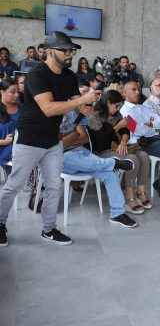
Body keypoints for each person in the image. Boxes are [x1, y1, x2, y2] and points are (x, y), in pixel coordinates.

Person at [0, 31, 100, 247]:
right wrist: (80, 101)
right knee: (14, 185)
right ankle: (0, 223)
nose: (70, 54)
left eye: (71, 51)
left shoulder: (70, 76)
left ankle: (49, 229)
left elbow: (78, 103)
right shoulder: (37, 75)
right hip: (29, 138)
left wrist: (88, 105)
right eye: (65, 50)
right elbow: (48, 108)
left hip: (53, 139)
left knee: (54, 186)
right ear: (50, 51)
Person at [59, 110, 138, 228]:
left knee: (110, 173)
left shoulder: (71, 114)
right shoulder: (47, 117)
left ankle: (117, 214)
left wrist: (65, 140)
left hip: (82, 153)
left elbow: (84, 138)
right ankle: (113, 163)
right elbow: (56, 146)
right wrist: (73, 136)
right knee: (68, 157)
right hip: (62, 157)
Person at [89, 90, 151, 214]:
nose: (118, 109)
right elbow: (101, 139)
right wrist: (119, 126)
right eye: (116, 105)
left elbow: (125, 131)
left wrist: (123, 142)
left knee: (144, 156)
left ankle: (140, 192)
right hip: (102, 151)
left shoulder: (117, 115)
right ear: (107, 102)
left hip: (117, 147)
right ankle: (129, 196)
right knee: (132, 159)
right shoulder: (94, 116)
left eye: (119, 106)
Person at [0, 80, 21, 176]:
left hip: (20, 149)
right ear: (2, 92)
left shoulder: (23, 109)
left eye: (18, 92)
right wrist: (4, 142)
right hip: (4, 151)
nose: (16, 95)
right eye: (12, 92)